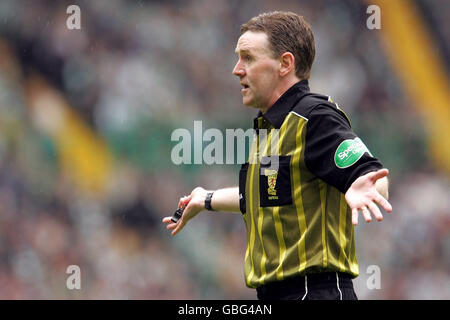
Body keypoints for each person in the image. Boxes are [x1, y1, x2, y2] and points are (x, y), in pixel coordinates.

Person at [162, 11, 392, 300]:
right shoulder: (271, 127)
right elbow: (267, 195)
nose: (237, 69)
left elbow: (372, 176)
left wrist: (364, 185)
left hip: (314, 291)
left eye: (248, 58)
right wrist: (206, 199)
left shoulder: (315, 117)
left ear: (285, 64)